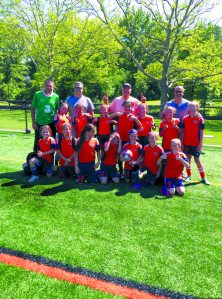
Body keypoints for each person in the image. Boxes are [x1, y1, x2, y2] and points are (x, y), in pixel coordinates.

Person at [180, 101, 210, 185]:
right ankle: (189, 176)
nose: (191, 108)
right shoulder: (185, 118)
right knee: (188, 160)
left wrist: (200, 144)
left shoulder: (200, 118)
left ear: (197, 108)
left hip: (196, 144)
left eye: (193, 106)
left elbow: (201, 132)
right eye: (190, 106)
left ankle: (203, 177)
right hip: (186, 143)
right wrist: (182, 142)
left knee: (197, 160)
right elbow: (183, 132)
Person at [31, 79, 60, 152]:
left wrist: (57, 122)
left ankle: (50, 160)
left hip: (51, 123)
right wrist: (33, 122)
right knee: (38, 141)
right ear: (44, 86)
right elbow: (33, 108)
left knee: (51, 142)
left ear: (53, 87)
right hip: (40, 122)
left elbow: (57, 110)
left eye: (51, 86)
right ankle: (36, 159)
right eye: (47, 86)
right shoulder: (38, 94)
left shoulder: (56, 96)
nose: (49, 87)